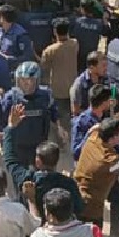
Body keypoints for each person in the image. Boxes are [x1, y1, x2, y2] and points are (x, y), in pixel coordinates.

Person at [73, 118, 119, 237]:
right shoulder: (110, 160)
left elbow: (96, 128)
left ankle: (117, 236)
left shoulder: (93, 138)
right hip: (90, 204)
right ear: (112, 138)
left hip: (79, 190)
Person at [2, 61, 60, 172]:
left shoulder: (46, 95)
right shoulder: (11, 98)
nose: (26, 84)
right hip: (19, 145)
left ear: (37, 81)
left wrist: (59, 128)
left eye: (30, 80)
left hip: (39, 144)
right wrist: (5, 143)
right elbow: (3, 122)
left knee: (42, 174)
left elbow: (54, 113)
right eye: (22, 80)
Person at [40, 18, 78, 146]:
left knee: (57, 119)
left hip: (57, 91)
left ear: (55, 32)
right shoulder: (75, 44)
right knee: (70, 117)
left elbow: (44, 66)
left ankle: (59, 143)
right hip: (72, 89)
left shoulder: (50, 50)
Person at [28, 141, 85, 220]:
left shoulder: (31, 184)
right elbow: (79, 207)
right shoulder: (69, 183)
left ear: (38, 161)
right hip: (66, 224)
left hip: (39, 224)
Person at [73, 0, 108, 71]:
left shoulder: (76, 22)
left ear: (82, 9)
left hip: (78, 57)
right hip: (92, 57)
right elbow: (106, 33)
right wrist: (105, 19)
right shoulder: (99, 23)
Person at [0, 4, 35, 69]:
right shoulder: (0, 31)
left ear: (3, 18)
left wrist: (8, 59)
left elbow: (28, 57)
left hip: (15, 70)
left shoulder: (20, 34)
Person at [70, 51, 109, 116]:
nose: (106, 68)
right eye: (103, 66)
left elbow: (111, 96)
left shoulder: (105, 78)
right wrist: (95, 112)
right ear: (92, 67)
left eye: (106, 65)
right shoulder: (80, 84)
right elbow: (75, 111)